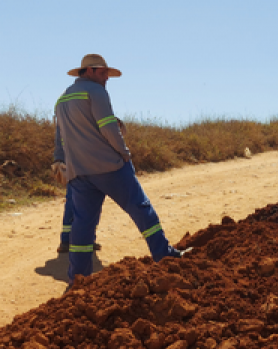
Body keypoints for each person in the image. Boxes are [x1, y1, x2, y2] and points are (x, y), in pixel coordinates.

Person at [53, 53, 182, 288]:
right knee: (141, 208)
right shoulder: (96, 91)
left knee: (83, 226)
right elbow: (108, 127)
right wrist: (124, 154)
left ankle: (78, 281)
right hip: (108, 166)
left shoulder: (62, 99)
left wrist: (59, 160)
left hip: (78, 173)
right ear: (89, 71)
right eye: (103, 73)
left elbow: (60, 136)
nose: (106, 78)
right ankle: (164, 255)